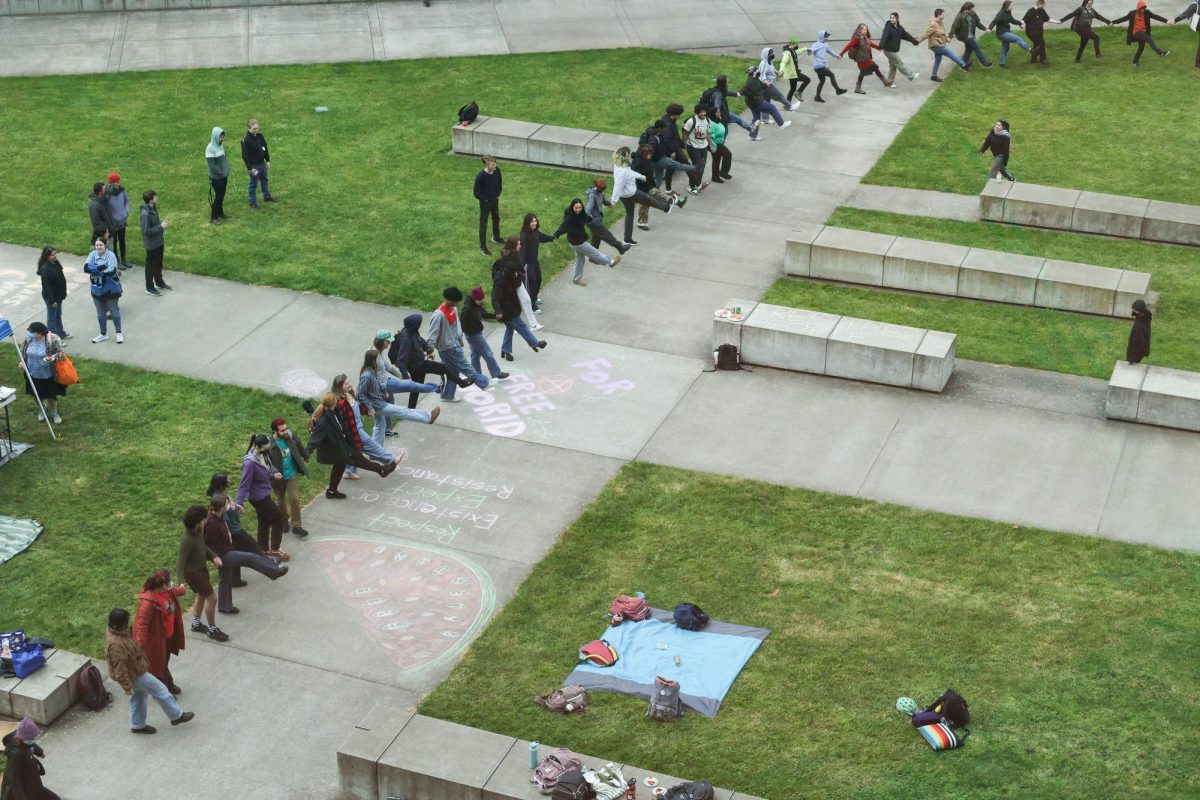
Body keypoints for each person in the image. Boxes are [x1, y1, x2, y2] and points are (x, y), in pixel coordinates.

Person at [106, 606, 195, 734]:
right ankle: (176, 716)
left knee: (139, 698)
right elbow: (119, 668)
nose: (129, 623)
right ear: (121, 624)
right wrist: (127, 687)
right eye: (127, 621)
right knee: (161, 691)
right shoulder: (116, 645)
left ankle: (138, 725)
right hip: (136, 674)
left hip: (135, 670)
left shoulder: (118, 633)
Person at [204, 494, 288, 615]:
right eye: (227, 503)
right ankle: (274, 571)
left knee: (225, 578)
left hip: (227, 550)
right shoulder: (212, 523)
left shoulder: (219, 516)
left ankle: (224, 606)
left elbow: (232, 523)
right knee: (249, 557)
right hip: (223, 555)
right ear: (222, 508)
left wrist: (235, 509)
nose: (229, 505)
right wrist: (214, 557)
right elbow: (207, 544)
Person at [308, 386, 397, 499]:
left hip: (344, 444)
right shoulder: (325, 420)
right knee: (359, 460)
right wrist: (307, 452)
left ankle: (331, 491)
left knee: (340, 465)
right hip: (338, 448)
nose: (337, 401)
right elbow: (315, 438)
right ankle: (381, 470)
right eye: (335, 400)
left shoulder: (335, 411)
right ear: (332, 403)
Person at [357, 349, 438, 444]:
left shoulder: (372, 371)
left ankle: (376, 450)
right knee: (402, 411)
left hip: (378, 402)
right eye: (378, 359)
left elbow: (376, 385)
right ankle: (428, 417)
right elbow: (359, 394)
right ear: (373, 361)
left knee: (380, 426)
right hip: (377, 405)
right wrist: (370, 408)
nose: (379, 361)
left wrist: (384, 392)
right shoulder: (366, 375)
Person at [175, 505, 228, 641]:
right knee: (212, 598)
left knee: (202, 595)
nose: (206, 521)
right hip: (194, 575)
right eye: (204, 519)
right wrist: (181, 583)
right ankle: (212, 629)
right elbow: (180, 563)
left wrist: (214, 556)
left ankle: (196, 624)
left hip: (201, 571)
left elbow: (203, 546)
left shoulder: (197, 532)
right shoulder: (187, 540)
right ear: (196, 522)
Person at [491, 237, 548, 362]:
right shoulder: (502, 275)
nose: (520, 246)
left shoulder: (511, 269)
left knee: (510, 327)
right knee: (520, 325)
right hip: (505, 306)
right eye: (518, 244)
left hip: (510, 302)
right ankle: (534, 343)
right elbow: (495, 294)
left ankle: (506, 350)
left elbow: (518, 271)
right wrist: (498, 310)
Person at [428, 287, 490, 398]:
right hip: (448, 348)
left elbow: (456, 326)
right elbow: (432, 335)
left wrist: (460, 338)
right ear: (448, 300)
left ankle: (447, 395)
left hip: (454, 344)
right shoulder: (439, 315)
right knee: (465, 366)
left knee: (453, 371)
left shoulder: (453, 309)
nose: (457, 304)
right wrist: (429, 350)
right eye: (455, 301)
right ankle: (484, 383)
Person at [236, 433, 290, 560]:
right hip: (258, 498)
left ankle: (263, 549)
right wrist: (239, 503)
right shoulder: (250, 463)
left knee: (264, 521)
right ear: (259, 447)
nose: (268, 449)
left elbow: (263, 472)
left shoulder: (262, 455)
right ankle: (275, 549)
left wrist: (272, 475)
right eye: (266, 448)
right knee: (279, 519)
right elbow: (244, 484)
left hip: (263, 493)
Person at [133, 569, 186, 695]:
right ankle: (165, 690)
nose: (171, 585)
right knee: (158, 665)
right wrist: (140, 647)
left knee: (163, 663)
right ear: (162, 585)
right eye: (169, 583)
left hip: (168, 636)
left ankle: (167, 685)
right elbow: (141, 625)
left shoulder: (167, 591)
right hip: (156, 640)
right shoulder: (147, 603)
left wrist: (182, 590)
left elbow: (175, 591)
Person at [612, 147, 680, 246]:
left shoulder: (619, 166)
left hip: (624, 196)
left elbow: (629, 172)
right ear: (626, 157)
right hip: (631, 194)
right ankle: (666, 207)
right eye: (629, 155)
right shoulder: (623, 171)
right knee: (649, 200)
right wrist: (613, 201)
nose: (630, 157)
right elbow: (617, 185)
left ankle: (627, 239)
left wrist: (640, 176)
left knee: (630, 215)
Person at [391, 313, 462, 408]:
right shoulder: (406, 339)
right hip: (417, 366)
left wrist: (428, 349)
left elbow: (420, 340)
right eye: (419, 323)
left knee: (416, 389)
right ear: (415, 325)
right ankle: (461, 382)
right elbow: (401, 360)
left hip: (417, 363)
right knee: (443, 367)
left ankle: (411, 410)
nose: (420, 324)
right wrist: (405, 375)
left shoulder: (412, 330)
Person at [372, 330, 441, 420]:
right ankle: (437, 388)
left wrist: (403, 377)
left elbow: (389, 368)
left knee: (388, 410)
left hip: (384, 384)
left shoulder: (378, 352)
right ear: (383, 341)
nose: (389, 344)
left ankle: (387, 431)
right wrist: (384, 391)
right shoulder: (373, 355)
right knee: (412, 386)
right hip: (384, 385)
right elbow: (371, 375)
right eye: (388, 341)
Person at [553, 199, 620, 286]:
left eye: (580, 207)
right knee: (595, 253)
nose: (578, 210)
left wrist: (592, 218)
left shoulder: (581, 214)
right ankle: (611, 262)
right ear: (572, 207)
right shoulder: (570, 218)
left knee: (580, 259)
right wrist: (555, 235)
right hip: (578, 243)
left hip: (575, 242)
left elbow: (587, 218)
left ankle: (576, 279)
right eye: (576, 208)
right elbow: (563, 227)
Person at [206, 472, 264, 558]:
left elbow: (228, 503)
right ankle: (270, 565)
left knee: (244, 553)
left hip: (235, 529)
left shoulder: (221, 492)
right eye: (227, 480)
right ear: (221, 485)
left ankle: (267, 563)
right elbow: (223, 519)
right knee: (253, 547)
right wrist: (229, 534)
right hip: (234, 532)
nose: (229, 481)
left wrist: (237, 506)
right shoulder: (218, 498)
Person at [0, 717, 60, 800]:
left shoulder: (21, 738)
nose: (33, 739)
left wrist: (39, 752)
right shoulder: (16, 755)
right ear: (23, 739)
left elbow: (32, 744)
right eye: (32, 738)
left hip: (34, 784)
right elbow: (13, 780)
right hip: (27, 790)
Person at [269, 418, 310, 538]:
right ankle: (284, 520)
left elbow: (299, 445)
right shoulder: (270, 444)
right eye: (282, 431)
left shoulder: (290, 435)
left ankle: (296, 526)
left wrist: (305, 455)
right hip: (278, 477)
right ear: (275, 431)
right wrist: (274, 472)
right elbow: (266, 463)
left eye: (286, 429)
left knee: (294, 499)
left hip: (291, 474)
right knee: (280, 501)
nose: (286, 432)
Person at [19, 322, 64, 425]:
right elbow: (23, 353)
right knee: (35, 394)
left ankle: (54, 413)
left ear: (39, 333)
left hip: (47, 374)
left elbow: (60, 355)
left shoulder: (52, 339)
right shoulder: (28, 339)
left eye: (31, 332)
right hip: (32, 373)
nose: (28, 333)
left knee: (51, 395)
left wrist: (52, 357)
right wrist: (22, 362)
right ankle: (42, 408)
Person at [463, 287, 509, 381]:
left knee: (475, 354)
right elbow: (462, 322)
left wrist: (495, 316)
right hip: (473, 334)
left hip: (475, 333)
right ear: (474, 298)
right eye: (480, 300)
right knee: (488, 353)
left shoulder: (476, 305)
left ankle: (476, 375)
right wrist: (469, 333)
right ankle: (496, 373)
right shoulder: (467, 309)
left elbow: (484, 314)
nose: (481, 301)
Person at [632, 143, 681, 231]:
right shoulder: (637, 162)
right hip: (641, 187)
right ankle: (672, 200)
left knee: (645, 204)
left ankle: (642, 223)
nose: (650, 155)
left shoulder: (645, 160)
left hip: (647, 185)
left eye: (651, 153)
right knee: (654, 193)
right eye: (649, 153)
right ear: (644, 153)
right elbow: (635, 176)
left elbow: (649, 175)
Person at [84, 238, 123, 344]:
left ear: (105, 245)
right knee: (100, 313)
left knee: (114, 312)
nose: (98, 247)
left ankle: (119, 333)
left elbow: (111, 271)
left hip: (110, 289)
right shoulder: (92, 254)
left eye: (100, 245)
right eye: (96, 245)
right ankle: (103, 334)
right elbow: (86, 268)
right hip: (96, 289)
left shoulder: (111, 255)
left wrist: (95, 269)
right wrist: (102, 267)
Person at [919, 8, 970, 80]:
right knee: (950, 53)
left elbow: (940, 34)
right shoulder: (933, 23)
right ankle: (963, 65)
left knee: (938, 60)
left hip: (939, 43)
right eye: (942, 14)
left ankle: (934, 76)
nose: (944, 16)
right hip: (936, 45)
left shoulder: (939, 22)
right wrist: (919, 40)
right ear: (938, 15)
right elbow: (927, 33)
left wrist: (946, 38)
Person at [139, 189, 170, 297]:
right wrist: (160, 227)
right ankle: (149, 287)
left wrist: (161, 225)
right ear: (151, 200)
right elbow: (146, 231)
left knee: (158, 264)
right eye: (155, 196)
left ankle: (159, 282)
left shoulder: (153, 208)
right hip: (152, 245)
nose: (157, 198)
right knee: (151, 266)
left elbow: (154, 226)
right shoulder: (145, 213)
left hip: (158, 242)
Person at [519, 212, 553, 310]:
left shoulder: (536, 233)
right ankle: (531, 305)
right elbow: (522, 253)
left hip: (534, 262)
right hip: (527, 264)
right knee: (531, 283)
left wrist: (553, 237)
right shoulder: (524, 236)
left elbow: (544, 237)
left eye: (535, 221)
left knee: (538, 280)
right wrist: (522, 268)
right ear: (527, 223)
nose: (534, 223)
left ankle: (534, 297)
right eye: (532, 222)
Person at [585, 178, 629, 253]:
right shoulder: (592, 195)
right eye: (601, 189)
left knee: (596, 239)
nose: (602, 191)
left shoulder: (599, 193)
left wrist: (611, 204)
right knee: (606, 235)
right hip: (593, 221)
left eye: (603, 189)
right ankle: (620, 247)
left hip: (597, 220)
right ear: (596, 186)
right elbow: (588, 210)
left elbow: (605, 201)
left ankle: (593, 258)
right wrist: (590, 219)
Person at [841, 23, 888, 92]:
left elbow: (871, 44)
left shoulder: (865, 37)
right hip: (861, 59)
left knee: (863, 72)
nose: (865, 31)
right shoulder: (856, 38)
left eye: (866, 29)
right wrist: (841, 53)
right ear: (859, 30)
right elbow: (848, 45)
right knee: (874, 66)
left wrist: (879, 48)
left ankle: (857, 88)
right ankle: (884, 81)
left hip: (865, 58)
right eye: (864, 29)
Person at [657, 104, 694, 192]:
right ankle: (696, 185)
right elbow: (667, 139)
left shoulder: (667, 118)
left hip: (675, 147)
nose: (680, 115)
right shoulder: (668, 125)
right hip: (674, 148)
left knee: (671, 168)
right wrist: (673, 151)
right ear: (675, 114)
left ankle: (668, 190)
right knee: (687, 165)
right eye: (679, 114)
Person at [740, 65, 789, 129]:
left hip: (751, 103)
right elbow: (743, 90)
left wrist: (766, 84)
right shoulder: (750, 82)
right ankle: (782, 124)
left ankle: (752, 135)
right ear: (754, 72)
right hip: (756, 103)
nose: (758, 71)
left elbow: (762, 86)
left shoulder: (755, 79)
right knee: (772, 108)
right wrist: (738, 93)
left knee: (756, 119)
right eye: (757, 70)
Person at [36, 247, 69, 339]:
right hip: (52, 298)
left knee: (58, 315)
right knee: (52, 318)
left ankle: (60, 333)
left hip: (58, 296)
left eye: (55, 254)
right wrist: (52, 301)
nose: (55, 256)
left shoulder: (55, 263)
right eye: (52, 255)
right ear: (46, 257)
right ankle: (53, 339)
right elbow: (46, 286)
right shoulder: (45, 269)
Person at [681, 105, 713, 195]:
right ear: (697, 112)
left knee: (702, 166)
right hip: (693, 146)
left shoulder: (707, 120)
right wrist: (683, 146)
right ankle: (691, 186)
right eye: (701, 112)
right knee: (697, 166)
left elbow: (708, 133)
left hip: (704, 146)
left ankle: (697, 184)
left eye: (704, 111)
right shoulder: (691, 121)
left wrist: (710, 146)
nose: (703, 113)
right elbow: (685, 134)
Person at [989, 0, 1034, 65]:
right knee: (1017, 39)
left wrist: (1020, 23)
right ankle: (1031, 50)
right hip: (1001, 34)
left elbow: (1012, 20)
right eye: (1011, 5)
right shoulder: (1000, 14)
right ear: (1007, 6)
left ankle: (1002, 64)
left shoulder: (1008, 12)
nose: (1012, 7)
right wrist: (990, 28)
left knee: (1005, 47)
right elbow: (994, 21)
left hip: (1005, 32)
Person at [756, 46, 801, 111]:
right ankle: (791, 106)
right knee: (779, 96)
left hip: (765, 86)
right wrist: (765, 81)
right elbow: (762, 73)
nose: (772, 54)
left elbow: (773, 69)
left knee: (766, 101)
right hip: (767, 85)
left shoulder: (769, 62)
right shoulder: (764, 63)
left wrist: (779, 73)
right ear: (766, 55)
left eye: (772, 52)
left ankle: (765, 119)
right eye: (770, 53)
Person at [881, 12, 922, 83]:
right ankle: (911, 75)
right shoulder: (888, 28)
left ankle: (889, 83)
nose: (891, 19)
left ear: (897, 18)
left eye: (893, 18)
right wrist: (881, 45)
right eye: (891, 18)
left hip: (894, 50)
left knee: (893, 66)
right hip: (888, 50)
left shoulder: (899, 28)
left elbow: (907, 36)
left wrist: (914, 42)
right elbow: (884, 37)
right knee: (899, 64)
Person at [474, 155, 503, 255]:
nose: (495, 166)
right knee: (484, 224)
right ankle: (483, 247)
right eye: (493, 164)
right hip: (485, 203)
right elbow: (476, 193)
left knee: (496, 218)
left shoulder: (497, 170)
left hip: (495, 200)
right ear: (487, 164)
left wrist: (497, 195)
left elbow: (499, 183)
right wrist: (486, 200)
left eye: (495, 164)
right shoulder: (480, 176)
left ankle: (496, 237)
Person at [241, 118, 274, 208]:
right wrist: (250, 169)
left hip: (262, 164)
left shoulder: (260, 136)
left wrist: (267, 160)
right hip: (254, 166)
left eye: (257, 128)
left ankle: (267, 196)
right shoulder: (246, 140)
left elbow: (265, 148)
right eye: (254, 129)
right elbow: (245, 156)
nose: (256, 130)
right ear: (249, 128)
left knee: (264, 180)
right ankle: (253, 202)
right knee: (253, 184)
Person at [951, 2, 995, 67]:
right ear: (967, 9)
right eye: (972, 9)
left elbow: (978, 23)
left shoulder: (973, 14)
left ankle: (963, 65)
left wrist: (985, 29)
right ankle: (985, 62)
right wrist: (950, 36)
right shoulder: (960, 16)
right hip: (964, 36)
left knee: (968, 50)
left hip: (971, 35)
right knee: (976, 47)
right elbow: (954, 27)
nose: (973, 10)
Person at [810, 31, 849, 102]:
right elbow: (811, 50)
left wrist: (837, 56)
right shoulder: (816, 44)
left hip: (820, 66)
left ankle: (817, 97)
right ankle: (838, 90)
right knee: (832, 75)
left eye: (827, 36)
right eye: (826, 36)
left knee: (822, 81)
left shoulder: (825, 44)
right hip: (819, 66)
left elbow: (830, 51)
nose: (827, 37)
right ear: (822, 36)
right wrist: (808, 51)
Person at [105, 172, 132, 268]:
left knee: (122, 240)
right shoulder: (107, 193)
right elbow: (105, 207)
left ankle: (124, 259)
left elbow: (127, 200)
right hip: (113, 223)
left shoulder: (122, 191)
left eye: (119, 181)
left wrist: (127, 211)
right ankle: (117, 260)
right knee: (115, 241)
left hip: (122, 221)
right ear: (111, 183)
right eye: (117, 182)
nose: (119, 183)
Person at [206, 126, 229, 224]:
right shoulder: (210, 148)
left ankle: (220, 213)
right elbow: (212, 165)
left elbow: (223, 159)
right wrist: (222, 172)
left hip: (223, 176)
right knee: (219, 196)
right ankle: (213, 218)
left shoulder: (220, 146)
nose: (222, 139)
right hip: (217, 178)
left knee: (221, 195)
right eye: (220, 137)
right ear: (215, 136)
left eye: (223, 137)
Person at [778, 38, 812, 103]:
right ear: (792, 44)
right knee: (807, 80)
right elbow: (783, 62)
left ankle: (787, 104)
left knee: (792, 89)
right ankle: (798, 92)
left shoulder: (792, 50)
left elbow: (797, 52)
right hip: (793, 74)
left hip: (793, 73)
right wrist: (781, 70)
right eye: (796, 44)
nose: (797, 45)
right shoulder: (787, 53)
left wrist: (806, 48)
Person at [87, 181, 112, 251]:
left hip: (104, 232)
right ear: (99, 192)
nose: (105, 190)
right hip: (101, 234)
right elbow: (96, 222)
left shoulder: (100, 200)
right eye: (104, 189)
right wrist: (105, 232)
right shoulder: (96, 205)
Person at [1174, 1, 1200, 66]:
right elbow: (1185, 14)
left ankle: (1198, 62)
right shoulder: (1195, 5)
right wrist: (1175, 20)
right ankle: (1198, 61)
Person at [709, 114, 732, 184]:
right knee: (728, 154)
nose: (719, 113)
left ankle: (715, 177)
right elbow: (709, 137)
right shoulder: (711, 124)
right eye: (717, 112)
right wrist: (713, 146)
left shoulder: (718, 120)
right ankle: (723, 172)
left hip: (719, 142)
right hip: (715, 143)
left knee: (716, 159)